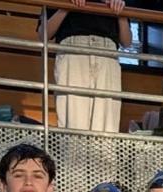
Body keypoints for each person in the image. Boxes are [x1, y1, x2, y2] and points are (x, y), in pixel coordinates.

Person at [42, 0, 129, 132]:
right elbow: (43, 34)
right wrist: (66, 6)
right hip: (73, 50)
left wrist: (121, 12)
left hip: (107, 53)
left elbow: (127, 41)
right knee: (73, 122)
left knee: (107, 125)